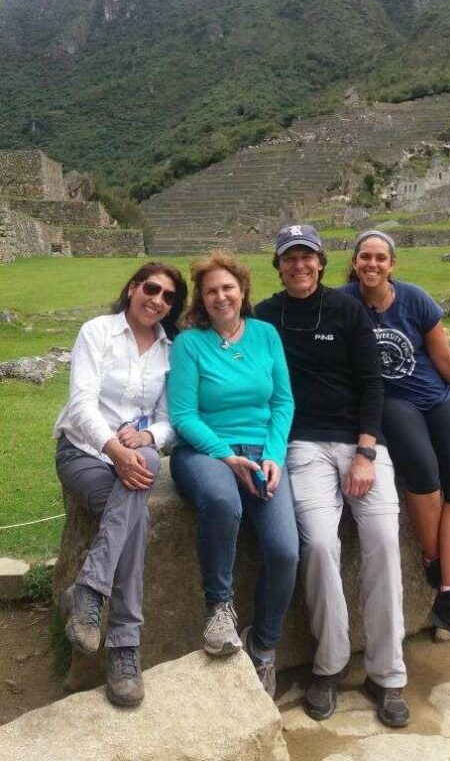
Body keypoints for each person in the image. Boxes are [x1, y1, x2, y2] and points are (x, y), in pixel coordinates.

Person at [256, 225, 409, 727]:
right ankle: (330, 663)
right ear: (278, 266)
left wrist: (366, 450)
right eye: (289, 258)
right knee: (319, 544)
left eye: (307, 257)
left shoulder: (346, 311)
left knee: (384, 540)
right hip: (301, 444)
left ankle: (388, 673)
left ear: (321, 263)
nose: (299, 266)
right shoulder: (266, 317)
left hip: (360, 442)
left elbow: (372, 384)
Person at [341, 230, 450, 648]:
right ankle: (448, 578)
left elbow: (442, 355)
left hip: (436, 396)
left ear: (392, 264)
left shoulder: (415, 299)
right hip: (392, 400)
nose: (372, 265)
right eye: (365, 258)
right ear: (354, 263)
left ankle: (447, 587)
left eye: (380, 259)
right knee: (423, 471)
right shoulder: (343, 303)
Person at [54, 262, 188, 707]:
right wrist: (114, 448)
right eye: (152, 288)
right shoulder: (98, 332)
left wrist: (148, 437)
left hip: (134, 458)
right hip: (84, 453)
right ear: (133, 288)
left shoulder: (170, 353)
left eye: (169, 296)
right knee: (133, 508)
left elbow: (171, 421)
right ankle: (125, 646)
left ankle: (88, 591)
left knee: (145, 465)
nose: (158, 300)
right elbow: (80, 406)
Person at [167, 251, 298, 698]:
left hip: (262, 453)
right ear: (201, 300)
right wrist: (225, 456)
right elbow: (183, 414)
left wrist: (274, 455)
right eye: (210, 291)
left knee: (284, 551)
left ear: (242, 290)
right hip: (205, 450)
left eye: (228, 288)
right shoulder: (189, 343)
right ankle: (218, 608)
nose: (221, 296)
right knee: (222, 501)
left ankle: (264, 649)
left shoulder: (265, 335)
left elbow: (282, 402)